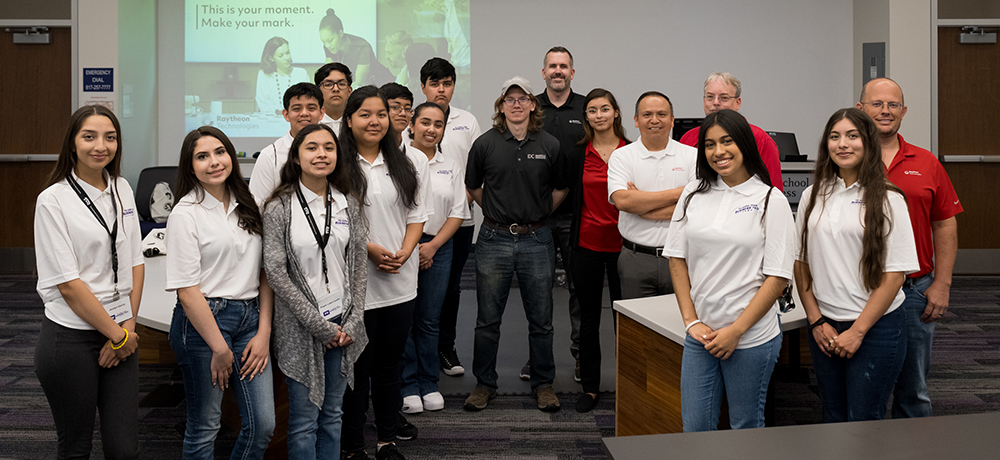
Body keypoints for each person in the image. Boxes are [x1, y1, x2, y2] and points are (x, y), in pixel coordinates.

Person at [665, 109, 795, 431]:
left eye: (727, 141)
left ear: (745, 144)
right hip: (702, 335)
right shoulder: (693, 192)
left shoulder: (769, 199)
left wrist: (736, 331)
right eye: (709, 144)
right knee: (695, 427)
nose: (718, 151)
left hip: (751, 336)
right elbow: (676, 257)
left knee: (745, 426)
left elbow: (777, 276)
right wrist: (690, 320)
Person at [794, 108, 918, 422]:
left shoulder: (890, 199)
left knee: (863, 419)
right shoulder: (812, 196)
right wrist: (815, 321)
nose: (843, 144)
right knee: (833, 415)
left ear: (868, 143)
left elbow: (895, 275)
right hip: (824, 326)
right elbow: (801, 263)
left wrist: (858, 332)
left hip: (876, 328)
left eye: (852, 136)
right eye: (835, 137)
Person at [34, 105, 143, 460]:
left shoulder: (123, 188)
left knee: (124, 450)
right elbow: (68, 285)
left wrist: (127, 326)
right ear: (72, 144)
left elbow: (135, 262)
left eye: (110, 137)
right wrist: (118, 335)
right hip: (70, 338)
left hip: (120, 332)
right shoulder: (53, 200)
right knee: (76, 447)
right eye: (89, 136)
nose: (101, 146)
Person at [166, 126, 276, 459]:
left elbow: (264, 272)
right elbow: (187, 291)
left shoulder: (250, 203)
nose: (214, 162)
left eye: (220, 152)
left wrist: (264, 332)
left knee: (263, 426)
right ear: (190, 166)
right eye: (202, 156)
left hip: (251, 321)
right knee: (205, 428)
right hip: (203, 326)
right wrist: (219, 347)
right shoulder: (186, 214)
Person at [857, 78, 963, 418]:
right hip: (858, 290)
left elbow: (945, 223)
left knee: (913, 389)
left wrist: (942, 284)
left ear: (903, 112)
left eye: (892, 105)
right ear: (861, 109)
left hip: (914, 289)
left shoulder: (927, 162)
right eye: (877, 104)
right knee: (862, 385)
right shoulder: (845, 159)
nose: (885, 111)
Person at [261, 123, 369, 459]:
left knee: (333, 415)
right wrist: (318, 325)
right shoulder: (279, 207)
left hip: (342, 323)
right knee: (304, 420)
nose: (321, 154)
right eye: (311, 147)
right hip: (300, 326)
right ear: (296, 157)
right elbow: (276, 273)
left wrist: (353, 321)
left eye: (328, 147)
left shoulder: (347, 203)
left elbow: (359, 266)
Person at [464, 76, 568, 413]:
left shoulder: (550, 144)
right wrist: (499, 214)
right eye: (510, 99)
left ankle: (543, 384)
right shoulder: (484, 144)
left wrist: (534, 216)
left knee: (542, 319)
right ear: (501, 105)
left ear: (532, 103)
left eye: (522, 98)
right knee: (487, 320)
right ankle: (484, 384)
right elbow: (474, 187)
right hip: (493, 239)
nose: (517, 104)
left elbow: (560, 189)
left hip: (537, 239)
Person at [339, 86, 429, 460]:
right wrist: (369, 250)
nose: (374, 121)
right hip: (354, 287)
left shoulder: (408, 161)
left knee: (390, 367)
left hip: (400, 283)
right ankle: (353, 445)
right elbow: (334, 223)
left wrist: (406, 252)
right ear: (349, 120)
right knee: (356, 371)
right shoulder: (336, 164)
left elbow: (416, 215)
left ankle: (387, 440)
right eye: (365, 114)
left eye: (380, 114)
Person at [400, 102, 470, 414]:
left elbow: (458, 213)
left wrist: (432, 247)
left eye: (438, 124)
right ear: (411, 125)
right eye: (425, 122)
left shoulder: (450, 166)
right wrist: (413, 247)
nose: (431, 129)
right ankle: (407, 384)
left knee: (429, 320)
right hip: (402, 247)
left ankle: (429, 382)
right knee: (404, 320)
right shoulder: (396, 161)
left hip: (438, 248)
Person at [417, 57, 482, 378]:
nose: (441, 89)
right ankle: (416, 353)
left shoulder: (466, 121)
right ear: (423, 87)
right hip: (417, 228)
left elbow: (476, 169)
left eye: (447, 83)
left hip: (458, 221)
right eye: (434, 83)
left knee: (450, 288)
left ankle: (445, 346)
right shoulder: (413, 122)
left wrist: (459, 203)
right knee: (416, 293)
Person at [569, 88, 628, 412]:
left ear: (616, 113)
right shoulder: (579, 153)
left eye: (605, 109)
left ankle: (629, 386)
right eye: (592, 110)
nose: (599, 115)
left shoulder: (632, 151)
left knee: (626, 319)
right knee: (588, 319)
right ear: (586, 117)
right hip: (587, 245)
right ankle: (591, 387)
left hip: (625, 247)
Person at [531, 46, 587, 383]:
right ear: (543, 72)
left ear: (572, 73)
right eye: (552, 65)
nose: (557, 71)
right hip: (537, 216)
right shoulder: (529, 107)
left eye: (563, 66)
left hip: (576, 214)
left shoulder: (586, 108)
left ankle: (581, 357)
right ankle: (538, 359)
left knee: (579, 289)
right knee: (537, 291)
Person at [606, 92, 697, 299]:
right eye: (647, 114)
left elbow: (696, 206)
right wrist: (680, 193)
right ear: (636, 120)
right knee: (637, 328)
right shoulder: (622, 156)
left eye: (662, 114)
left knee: (681, 324)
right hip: (636, 259)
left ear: (672, 119)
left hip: (682, 257)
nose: (654, 120)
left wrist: (643, 208)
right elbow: (623, 200)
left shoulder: (692, 156)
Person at [677, 72, 783, 191]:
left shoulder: (760, 139)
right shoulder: (688, 138)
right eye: (710, 97)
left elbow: (773, 189)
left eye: (724, 98)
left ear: (738, 103)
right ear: (704, 102)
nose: (716, 102)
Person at [249, 83, 325, 205]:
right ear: (286, 114)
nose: (304, 113)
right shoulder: (270, 156)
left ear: (321, 113)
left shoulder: (332, 153)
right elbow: (257, 206)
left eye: (311, 108)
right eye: (297, 108)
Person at [318, 9, 393, 87]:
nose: (327, 45)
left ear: (340, 33)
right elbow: (330, 74)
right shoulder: (329, 46)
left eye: (330, 40)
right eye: (324, 42)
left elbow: (358, 83)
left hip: (381, 83)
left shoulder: (361, 46)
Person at [255, 36, 311, 116]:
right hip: (271, 121)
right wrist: (279, 113)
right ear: (271, 58)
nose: (286, 58)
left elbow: (307, 99)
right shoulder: (264, 75)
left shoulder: (301, 74)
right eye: (281, 55)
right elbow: (262, 103)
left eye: (287, 53)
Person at [314, 62, 354, 134]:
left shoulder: (357, 122)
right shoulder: (311, 123)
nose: (336, 89)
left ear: (349, 91)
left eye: (341, 84)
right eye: (328, 84)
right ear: (318, 91)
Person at [380, 82, 414, 146]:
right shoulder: (367, 153)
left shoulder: (416, 155)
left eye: (407, 109)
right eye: (395, 107)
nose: (403, 113)